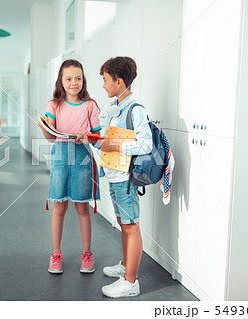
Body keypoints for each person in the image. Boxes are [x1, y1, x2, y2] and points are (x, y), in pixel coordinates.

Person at [91, 57, 152, 298]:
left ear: (119, 81)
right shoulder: (116, 109)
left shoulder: (135, 110)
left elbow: (145, 144)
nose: (104, 86)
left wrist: (113, 146)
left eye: (106, 81)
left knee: (130, 226)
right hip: (115, 177)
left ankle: (131, 282)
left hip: (126, 178)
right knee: (123, 225)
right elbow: (107, 144)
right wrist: (91, 139)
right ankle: (126, 265)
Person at [39, 59, 102, 274]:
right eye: (68, 79)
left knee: (82, 207)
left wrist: (85, 137)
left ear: (83, 80)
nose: (74, 83)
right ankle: (55, 254)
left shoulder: (90, 105)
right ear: (61, 81)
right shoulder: (53, 105)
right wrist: (44, 127)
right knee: (59, 207)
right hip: (60, 158)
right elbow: (50, 138)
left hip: (82, 158)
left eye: (78, 78)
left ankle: (87, 254)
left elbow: (97, 138)